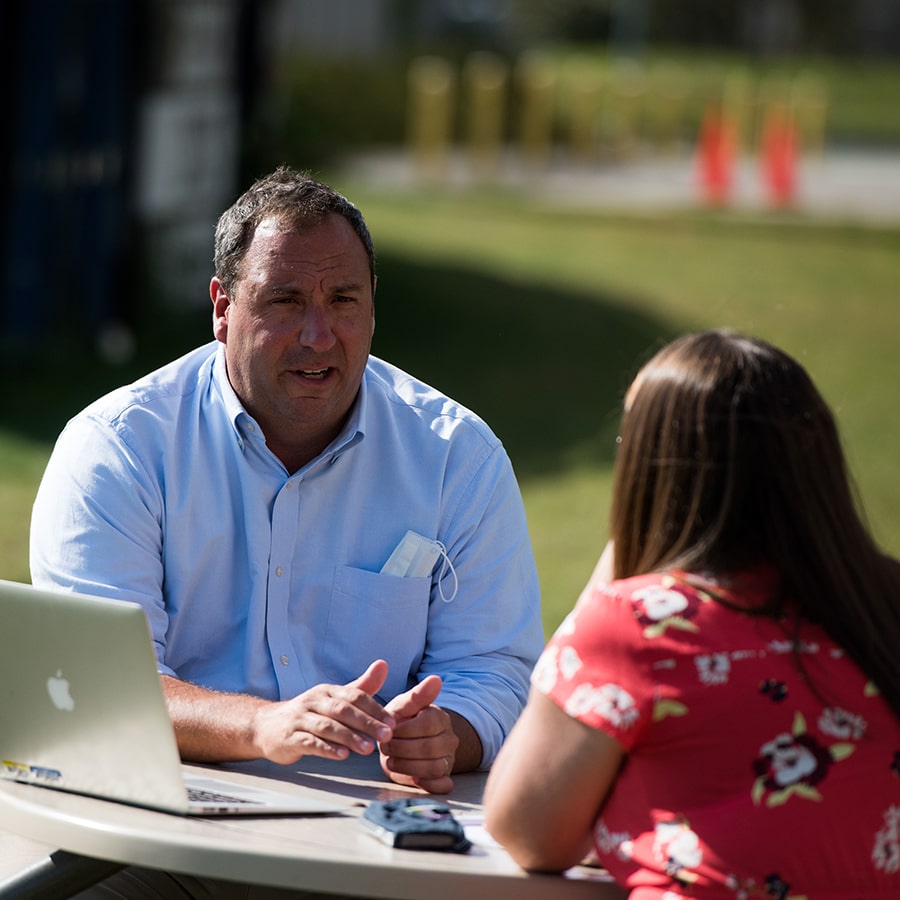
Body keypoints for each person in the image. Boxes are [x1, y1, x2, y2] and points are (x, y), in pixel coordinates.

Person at [30, 166, 544, 799]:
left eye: (344, 300)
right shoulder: (118, 447)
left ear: (373, 308)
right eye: (285, 300)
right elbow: (97, 681)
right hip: (166, 824)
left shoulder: (456, 458)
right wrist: (262, 726)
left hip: (375, 839)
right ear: (222, 308)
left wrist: (449, 734)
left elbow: (494, 668)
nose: (318, 335)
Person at [484, 329, 900, 898]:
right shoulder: (885, 602)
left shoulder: (642, 623)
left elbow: (529, 832)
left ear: (654, 470)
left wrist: (620, 566)